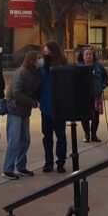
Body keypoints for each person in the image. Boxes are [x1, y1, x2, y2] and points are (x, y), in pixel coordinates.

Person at [2, 51, 41, 180]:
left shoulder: (35, 73)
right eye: (38, 58)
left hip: (24, 111)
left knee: (25, 140)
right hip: (15, 110)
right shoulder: (21, 73)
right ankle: (8, 169)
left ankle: (21, 166)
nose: (40, 61)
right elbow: (16, 93)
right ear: (31, 60)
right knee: (14, 140)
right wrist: (32, 103)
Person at [38, 42, 68, 173]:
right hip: (45, 106)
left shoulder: (62, 65)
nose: (47, 55)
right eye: (45, 52)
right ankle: (48, 162)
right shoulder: (42, 66)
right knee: (47, 137)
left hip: (59, 107)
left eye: (48, 52)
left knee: (60, 136)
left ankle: (60, 162)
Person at [78, 46, 108, 143]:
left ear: (93, 55)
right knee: (85, 116)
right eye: (86, 54)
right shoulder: (79, 67)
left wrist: (102, 85)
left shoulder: (98, 66)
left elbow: (105, 76)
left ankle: (94, 135)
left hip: (97, 95)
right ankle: (87, 135)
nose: (88, 56)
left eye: (90, 54)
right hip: (84, 96)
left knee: (96, 116)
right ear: (82, 56)